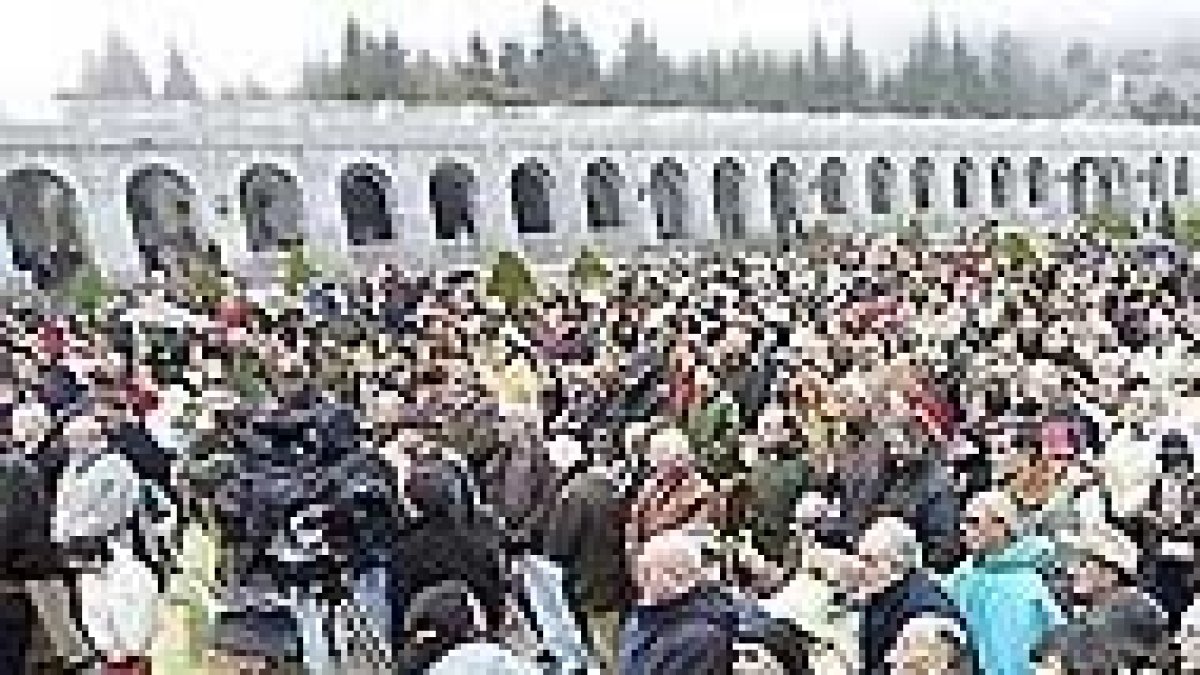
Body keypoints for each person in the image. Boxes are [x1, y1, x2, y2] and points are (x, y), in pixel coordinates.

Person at [946, 491, 1064, 675]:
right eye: (964, 521)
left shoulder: (1025, 586)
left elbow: (1015, 656)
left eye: (974, 522)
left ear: (1001, 527)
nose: (964, 529)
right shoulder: (963, 574)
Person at [851, 517, 979, 675]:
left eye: (869, 561)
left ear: (897, 565)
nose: (858, 568)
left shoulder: (927, 620)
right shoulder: (885, 593)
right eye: (858, 557)